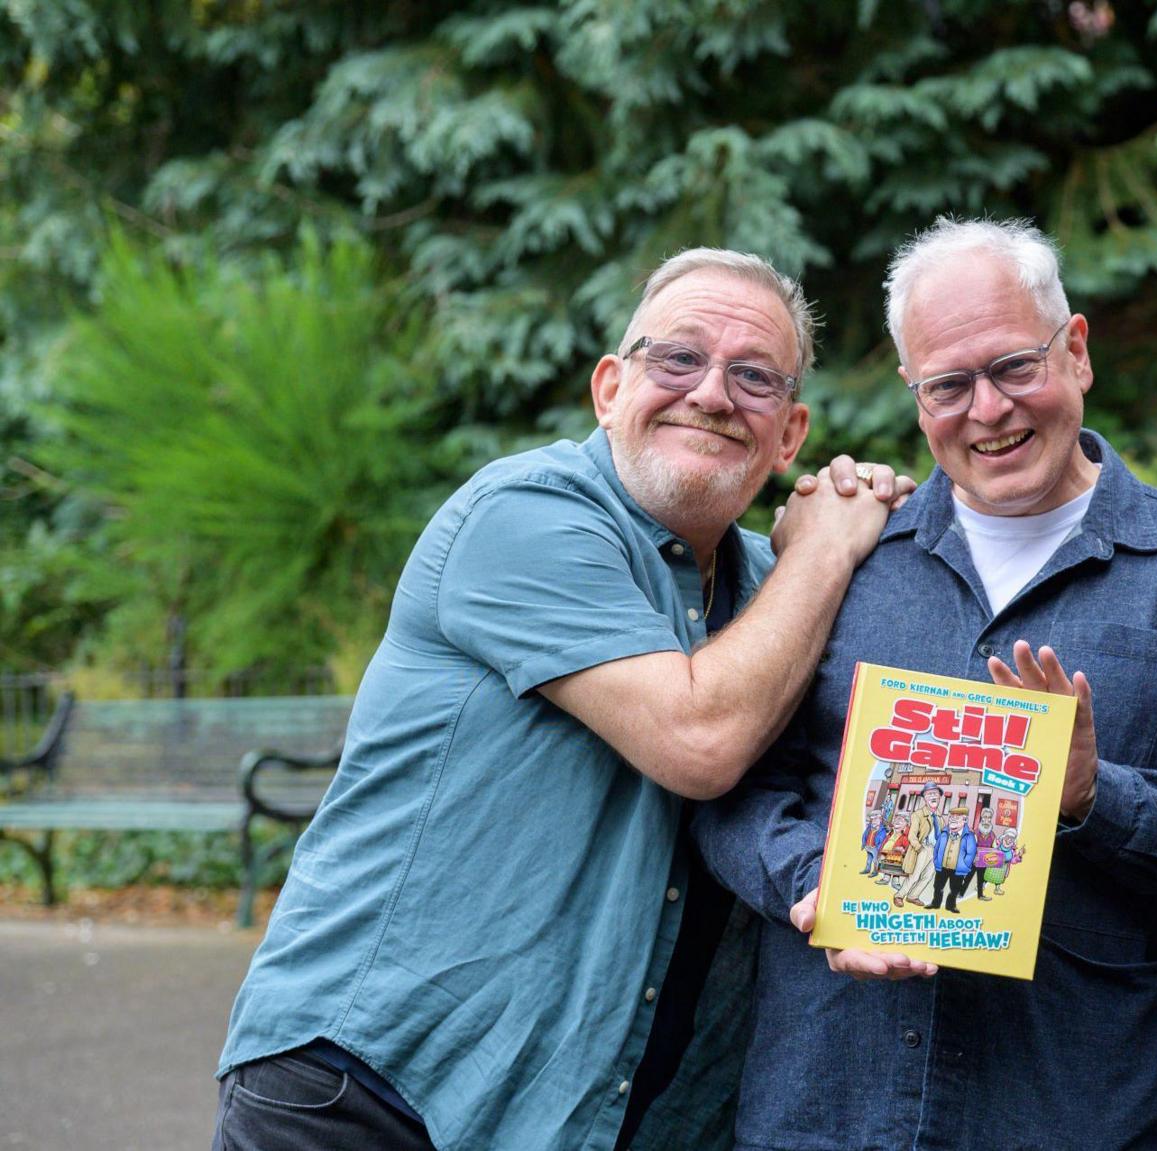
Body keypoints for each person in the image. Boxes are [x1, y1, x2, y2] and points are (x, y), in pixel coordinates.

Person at [213, 248, 911, 1151]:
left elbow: (847, 763)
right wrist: (825, 548)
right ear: (609, 388)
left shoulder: (768, 592)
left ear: (790, 434)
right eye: (678, 358)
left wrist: (879, 895)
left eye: (753, 377)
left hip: (575, 1118)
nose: (710, 393)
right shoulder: (525, 515)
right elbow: (700, 738)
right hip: (371, 1093)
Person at [693, 217, 1157, 1150]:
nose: (988, 410)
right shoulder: (850, 558)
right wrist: (814, 880)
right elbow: (730, 792)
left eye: (1014, 367)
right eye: (949, 384)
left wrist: (1097, 797)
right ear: (915, 396)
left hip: (1071, 1116)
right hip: (829, 1113)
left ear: (1076, 352)